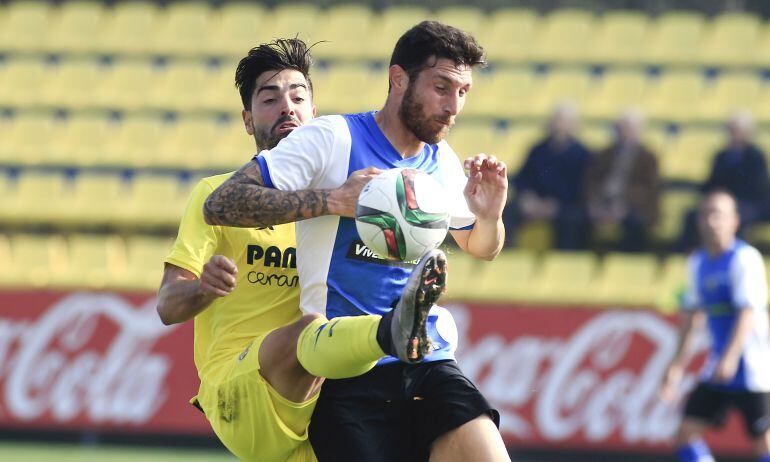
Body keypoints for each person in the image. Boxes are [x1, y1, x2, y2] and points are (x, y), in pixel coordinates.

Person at [203, 21, 510, 462]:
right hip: (343, 368)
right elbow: (222, 203)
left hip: (426, 361)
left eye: (462, 92)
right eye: (442, 87)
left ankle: (404, 328)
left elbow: (483, 247)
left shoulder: (440, 161)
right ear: (398, 79)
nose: (453, 107)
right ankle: (386, 332)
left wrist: (491, 216)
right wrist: (333, 200)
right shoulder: (332, 139)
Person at [157, 39, 436, 462]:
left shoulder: (362, 199)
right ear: (248, 122)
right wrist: (202, 291)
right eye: (270, 99)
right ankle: (389, 331)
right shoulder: (215, 195)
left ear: (314, 115)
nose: (287, 107)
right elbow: (166, 307)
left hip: (324, 398)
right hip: (243, 393)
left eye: (298, 97)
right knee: (307, 329)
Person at [660, 190, 770, 462]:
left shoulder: (745, 259)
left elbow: (748, 312)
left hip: (753, 368)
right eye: (707, 214)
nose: (712, 221)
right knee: (685, 434)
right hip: (717, 367)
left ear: (734, 221)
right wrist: (676, 366)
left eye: (718, 215)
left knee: (763, 443)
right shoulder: (697, 263)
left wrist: (732, 356)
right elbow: (692, 317)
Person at [677, 111, 770, 251]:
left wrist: (730, 200)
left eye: (737, 130)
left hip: (748, 203)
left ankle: (731, 252)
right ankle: (689, 253)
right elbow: (712, 183)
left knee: (736, 217)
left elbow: (758, 187)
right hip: (722, 201)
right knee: (693, 216)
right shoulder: (721, 156)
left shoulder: (755, 156)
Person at [506, 102, 592, 250]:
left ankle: (563, 260)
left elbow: (582, 187)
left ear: (573, 125)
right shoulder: (537, 149)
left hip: (565, 204)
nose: (558, 125)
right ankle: (504, 253)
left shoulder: (583, 154)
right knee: (508, 211)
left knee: (573, 219)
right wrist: (528, 197)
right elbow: (522, 178)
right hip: (534, 202)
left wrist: (555, 204)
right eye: (556, 120)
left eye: (563, 121)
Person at [584, 108, 660, 252]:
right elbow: (591, 182)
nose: (625, 133)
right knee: (576, 219)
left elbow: (649, 189)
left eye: (630, 128)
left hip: (635, 207)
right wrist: (595, 204)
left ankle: (629, 261)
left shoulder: (648, 157)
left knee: (634, 222)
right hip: (603, 204)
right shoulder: (603, 155)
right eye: (622, 128)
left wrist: (624, 205)